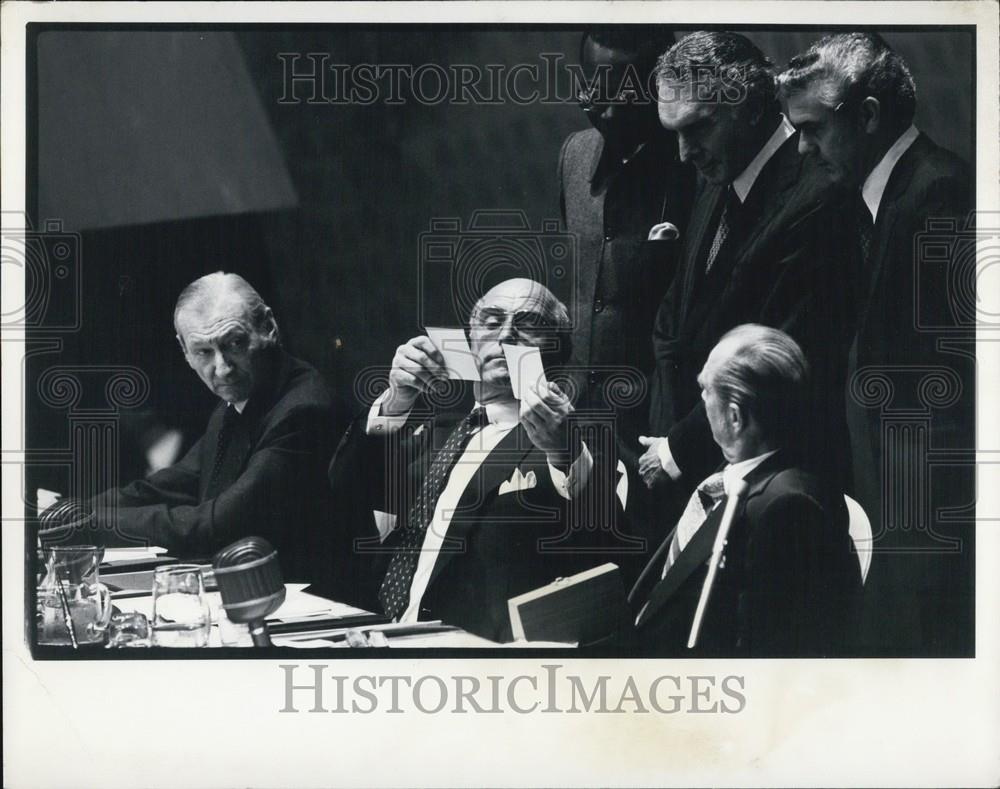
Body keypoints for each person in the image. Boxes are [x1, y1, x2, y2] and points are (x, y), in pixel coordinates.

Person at [778, 33, 975, 655]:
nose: (804, 149)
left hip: (928, 519)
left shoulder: (936, 195)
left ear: (866, 116)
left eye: (813, 129)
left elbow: (945, 397)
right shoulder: (882, 197)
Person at [328, 278, 628, 642]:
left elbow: (606, 559)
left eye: (528, 324)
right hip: (376, 638)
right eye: (491, 321)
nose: (505, 336)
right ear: (469, 341)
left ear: (558, 350)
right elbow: (342, 497)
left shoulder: (584, 439)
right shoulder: (430, 433)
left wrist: (563, 452)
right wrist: (394, 402)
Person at [640, 31, 856, 508]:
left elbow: (785, 356)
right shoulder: (719, 173)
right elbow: (673, 323)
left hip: (774, 492)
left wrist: (678, 448)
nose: (683, 152)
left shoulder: (818, 199)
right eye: (674, 132)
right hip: (699, 467)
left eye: (698, 127)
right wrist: (670, 438)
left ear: (754, 107)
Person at [48, 272, 346, 586]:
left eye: (235, 343)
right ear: (184, 351)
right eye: (203, 352)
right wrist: (67, 511)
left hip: (320, 606)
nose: (222, 368)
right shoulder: (238, 401)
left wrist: (85, 523)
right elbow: (173, 485)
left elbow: (218, 525)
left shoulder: (304, 408)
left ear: (268, 328)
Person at [629, 325, 862, 656]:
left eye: (706, 390)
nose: (702, 399)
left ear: (735, 417)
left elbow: (766, 651)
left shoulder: (789, 509)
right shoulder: (739, 474)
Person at [558, 27, 694, 487]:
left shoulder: (693, 166)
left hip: (653, 431)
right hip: (574, 423)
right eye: (589, 84)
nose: (596, 103)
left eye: (618, 91)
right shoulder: (574, 156)